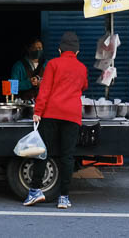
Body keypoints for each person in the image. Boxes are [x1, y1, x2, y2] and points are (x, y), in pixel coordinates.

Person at [24, 31, 87, 210]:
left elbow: (45, 90)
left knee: (43, 152)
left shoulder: (52, 64)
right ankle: (64, 197)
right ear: (77, 52)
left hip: (51, 113)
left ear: (60, 50)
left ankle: (35, 190)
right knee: (67, 156)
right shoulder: (82, 67)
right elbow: (84, 86)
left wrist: (38, 111)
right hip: (72, 115)